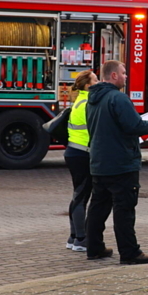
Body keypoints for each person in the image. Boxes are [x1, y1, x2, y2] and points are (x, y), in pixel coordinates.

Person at [85, 60, 148, 264]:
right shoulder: (118, 98)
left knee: (98, 207)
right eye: (123, 73)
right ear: (113, 76)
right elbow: (134, 125)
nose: (126, 76)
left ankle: (94, 248)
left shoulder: (92, 99)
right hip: (121, 163)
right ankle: (130, 253)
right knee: (124, 210)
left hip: (99, 162)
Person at [64, 70, 98, 253]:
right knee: (81, 196)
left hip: (74, 152)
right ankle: (81, 239)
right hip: (82, 153)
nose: (99, 82)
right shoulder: (88, 103)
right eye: (96, 79)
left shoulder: (79, 101)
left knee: (78, 195)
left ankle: (73, 236)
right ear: (88, 85)